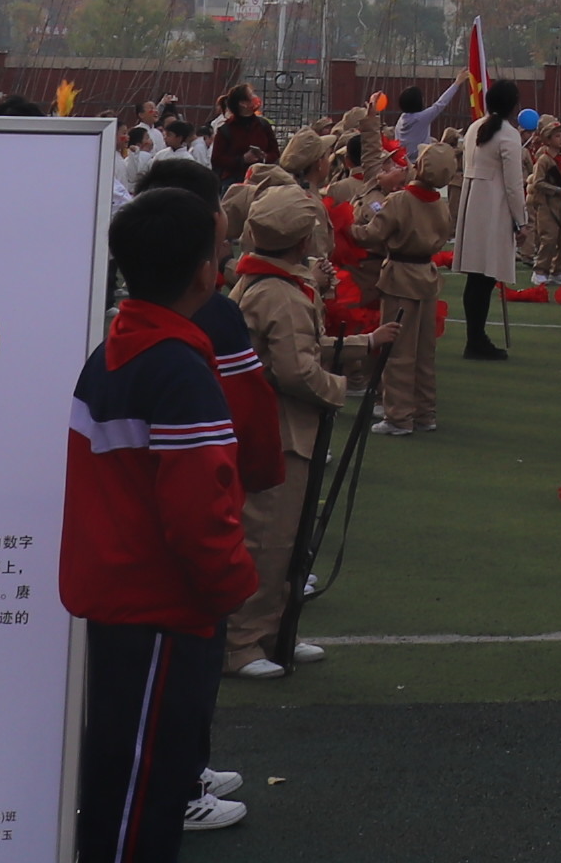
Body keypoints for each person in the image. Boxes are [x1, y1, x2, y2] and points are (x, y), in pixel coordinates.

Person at [64, 186, 254, 855]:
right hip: (163, 604)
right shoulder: (176, 369)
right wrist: (231, 583)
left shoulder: (122, 344)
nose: (226, 262)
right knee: (145, 788)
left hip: (127, 594)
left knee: (127, 774)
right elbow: (199, 511)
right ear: (204, 270)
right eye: (223, 250)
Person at [224, 181, 381, 680]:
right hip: (281, 429)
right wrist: (338, 387)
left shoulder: (261, 282)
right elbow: (297, 371)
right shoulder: (280, 295)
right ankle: (242, 642)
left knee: (286, 540)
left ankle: (275, 632)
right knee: (269, 539)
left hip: (273, 425)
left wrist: (363, 341)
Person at [364, 139, 452, 433]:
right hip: (426, 275)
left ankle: (398, 415)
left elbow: (373, 234)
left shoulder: (400, 201)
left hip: (400, 275)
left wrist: (348, 225)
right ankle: (425, 412)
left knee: (398, 348)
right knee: (425, 350)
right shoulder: (441, 205)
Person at [457, 92, 526, 359]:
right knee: (483, 278)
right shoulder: (508, 134)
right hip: (494, 204)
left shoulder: (475, 126)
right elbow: (513, 184)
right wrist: (522, 220)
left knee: (477, 277)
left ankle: (475, 336)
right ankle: (476, 339)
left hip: (474, 200)